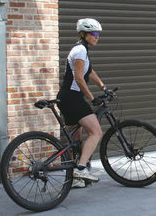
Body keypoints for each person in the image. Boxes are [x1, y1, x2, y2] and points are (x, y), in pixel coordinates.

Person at [57, 18, 106, 188]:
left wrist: (103, 87)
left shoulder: (82, 51)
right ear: (83, 34)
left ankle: (74, 178)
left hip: (67, 97)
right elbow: (79, 78)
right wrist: (93, 98)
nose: (96, 37)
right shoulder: (79, 51)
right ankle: (81, 168)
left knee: (74, 141)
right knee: (96, 132)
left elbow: (89, 71)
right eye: (94, 33)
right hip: (72, 98)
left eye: (98, 34)